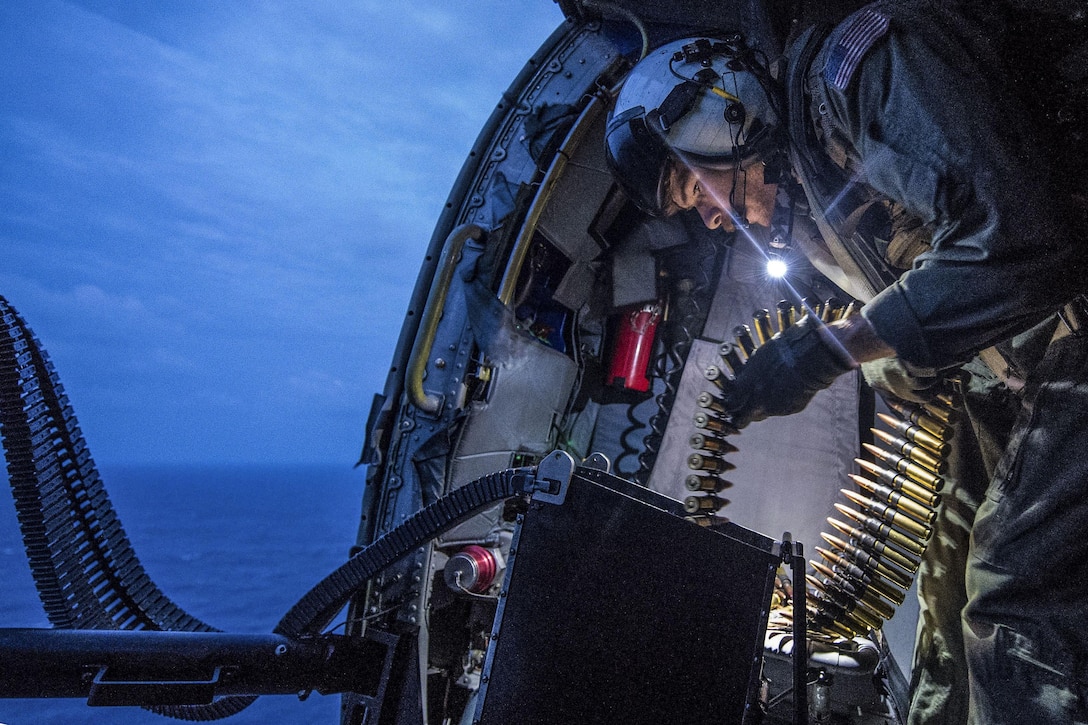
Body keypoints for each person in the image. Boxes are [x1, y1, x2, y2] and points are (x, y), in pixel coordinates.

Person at [603, 2, 1088, 723]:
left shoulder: (853, 71)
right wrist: (884, 361)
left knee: (1014, 592)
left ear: (720, 115)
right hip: (1027, 352)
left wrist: (836, 348)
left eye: (689, 187)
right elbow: (939, 304)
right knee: (948, 590)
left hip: (1071, 312)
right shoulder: (817, 200)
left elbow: (1021, 234)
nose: (707, 217)